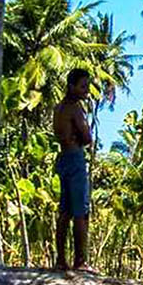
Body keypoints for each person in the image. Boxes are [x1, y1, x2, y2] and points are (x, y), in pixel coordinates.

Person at [52, 68, 96, 273]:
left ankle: (61, 259)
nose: (86, 90)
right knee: (80, 212)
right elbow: (87, 137)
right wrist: (82, 136)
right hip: (75, 158)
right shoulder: (75, 108)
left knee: (65, 211)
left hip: (63, 157)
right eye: (83, 86)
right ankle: (80, 261)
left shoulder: (59, 108)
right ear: (71, 86)